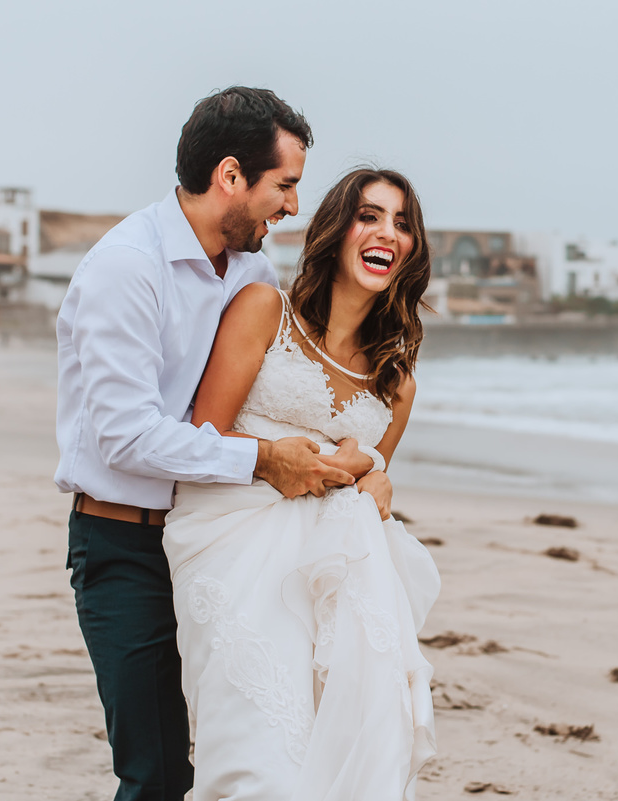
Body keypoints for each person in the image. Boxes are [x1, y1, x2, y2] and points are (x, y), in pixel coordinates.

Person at [54, 87, 371, 801]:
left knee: (252, 743)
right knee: (158, 769)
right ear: (231, 176)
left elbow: (283, 391)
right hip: (125, 548)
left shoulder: (253, 272)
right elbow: (127, 436)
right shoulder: (125, 268)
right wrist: (262, 460)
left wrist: (365, 459)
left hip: (228, 544)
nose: (292, 206)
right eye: (284, 185)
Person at [162, 168, 440, 800]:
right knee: (261, 764)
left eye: (403, 223)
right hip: (234, 551)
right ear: (336, 231)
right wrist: (295, 460)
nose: (387, 233)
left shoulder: (397, 385)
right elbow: (201, 437)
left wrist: (374, 474)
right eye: (369, 216)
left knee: (339, 757)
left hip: (333, 579)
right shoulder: (265, 311)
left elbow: (365, 489)